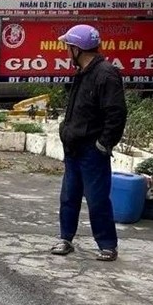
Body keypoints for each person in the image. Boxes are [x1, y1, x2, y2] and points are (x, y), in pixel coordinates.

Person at [51, 24, 127, 262]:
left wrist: (103, 144)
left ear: (77, 49)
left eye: (68, 47)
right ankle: (66, 238)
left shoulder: (105, 74)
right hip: (73, 148)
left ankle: (107, 245)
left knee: (97, 199)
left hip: (92, 151)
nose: (66, 51)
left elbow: (116, 114)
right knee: (69, 197)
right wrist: (65, 130)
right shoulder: (82, 72)